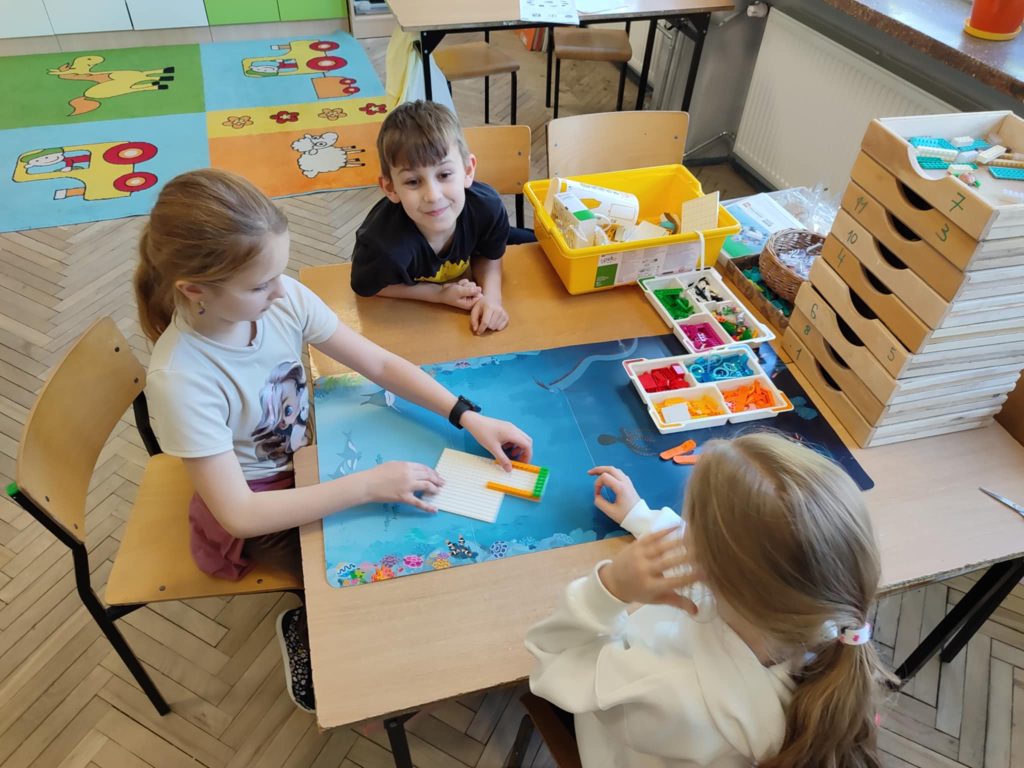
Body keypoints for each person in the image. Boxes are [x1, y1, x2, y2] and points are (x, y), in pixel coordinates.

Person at [134, 168, 532, 712]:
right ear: (194, 289)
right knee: (377, 586)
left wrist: (466, 415)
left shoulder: (279, 299)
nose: (281, 292)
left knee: (416, 525)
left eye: (278, 273)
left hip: (306, 451)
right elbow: (241, 515)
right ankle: (306, 624)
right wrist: (367, 486)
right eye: (259, 285)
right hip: (266, 502)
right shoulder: (181, 379)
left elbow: (379, 363)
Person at [526, 432, 893, 768]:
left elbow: (554, 662)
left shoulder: (664, 686)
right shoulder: (828, 624)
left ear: (706, 566)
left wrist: (610, 587)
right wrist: (642, 517)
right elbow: (754, 558)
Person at [350, 100, 533, 335]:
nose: (433, 196)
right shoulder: (383, 247)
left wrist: (492, 298)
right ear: (390, 188)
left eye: (444, 174)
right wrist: (437, 294)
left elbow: (489, 254)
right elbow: (371, 286)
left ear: (468, 170)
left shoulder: (487, 208)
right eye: (413, 181)